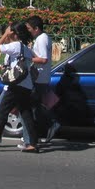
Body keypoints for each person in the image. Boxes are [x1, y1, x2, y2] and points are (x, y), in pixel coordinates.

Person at [0, 21, 39, 152]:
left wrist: (4, 35)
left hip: (15, 86)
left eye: (9, 31)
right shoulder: (24, 47)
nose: (7, 33)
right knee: (26, 113)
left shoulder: (15, 46)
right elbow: (33, 58)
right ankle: (32, 143)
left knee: (1, 111)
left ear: (14, 34)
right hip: (26, 85)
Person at [26, 15, 61, 144]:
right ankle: (40, 132)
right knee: (38, 106)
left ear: (36, 28)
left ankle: (51, 124)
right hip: (41, 77)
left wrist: (26, 58)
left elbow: (43, 59)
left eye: (29, 28)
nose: (28, 30)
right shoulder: (43, 38)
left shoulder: (41, 39)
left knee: (35, 108)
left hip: (39, 78)